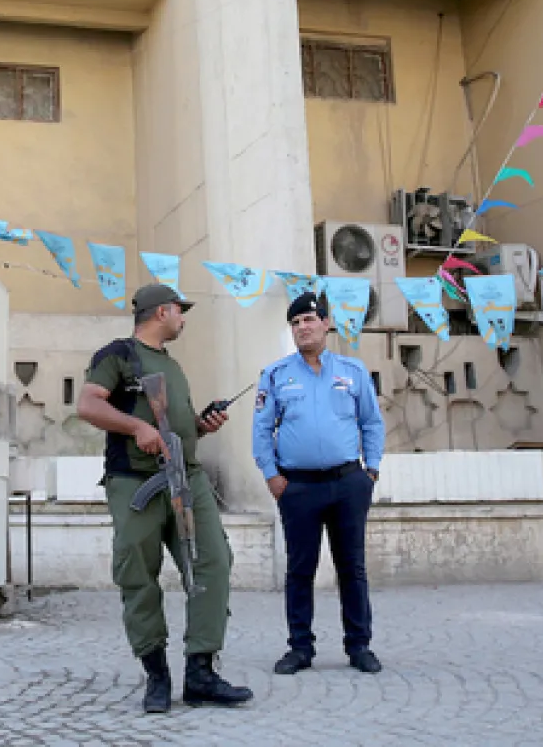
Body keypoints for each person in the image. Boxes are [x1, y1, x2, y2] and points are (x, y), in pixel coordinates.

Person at [77, 283, 254, 713]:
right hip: (135, 482)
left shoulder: (171, 366)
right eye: (180, 309)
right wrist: (136, 428)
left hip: (186, 477)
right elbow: (87, 405)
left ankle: (201, 672)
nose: (183, 317)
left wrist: (199, 424)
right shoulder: (117, 354)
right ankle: (156, 674)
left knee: (213, 560)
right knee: (138, 573)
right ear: (160, 312)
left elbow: (173, 425)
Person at [252, 290, 385, 675]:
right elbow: (261, 429)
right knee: (300, 569)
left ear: (326, 323)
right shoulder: (276, 375)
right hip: (298, 488)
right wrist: (273, 477)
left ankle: (359, 646)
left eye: (309, 320)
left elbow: (371, 422)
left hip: (348, 483)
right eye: (295, 323)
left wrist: (370, 470)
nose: (302, 328)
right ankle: (300, 648)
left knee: (352, 568)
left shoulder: (353, 372)